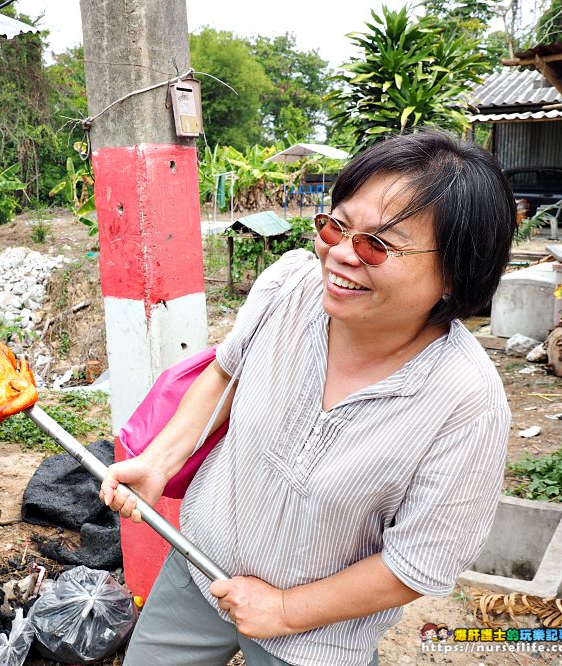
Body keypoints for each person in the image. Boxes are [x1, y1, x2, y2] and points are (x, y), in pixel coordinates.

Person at [100, 130, 515, 666]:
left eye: (377, 244)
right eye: (336, 225)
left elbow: (416, 562)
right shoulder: (289, 287)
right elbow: (226, 374)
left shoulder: (468, 405)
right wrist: (160, 460)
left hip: (318, 638)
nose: (341, 255)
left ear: (456, 274)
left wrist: (287, 611)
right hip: (198, 565)